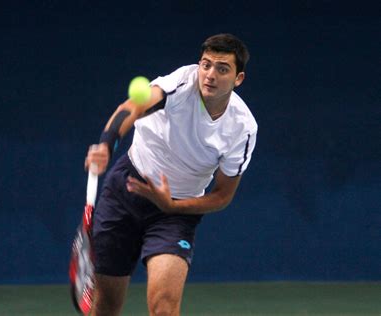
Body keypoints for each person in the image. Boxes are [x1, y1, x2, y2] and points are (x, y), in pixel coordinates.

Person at [84, 33, 257, 316]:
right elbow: (134, 106)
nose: (209, 75)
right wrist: (106, 143)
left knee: (164, 308)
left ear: (238, 79)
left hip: (174, 214)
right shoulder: (180, 83)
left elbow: (223, 195)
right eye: (205, 64)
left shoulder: (243, 128)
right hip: (126, 191)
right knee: (105, 307)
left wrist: (172, 206)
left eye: (222, 68)